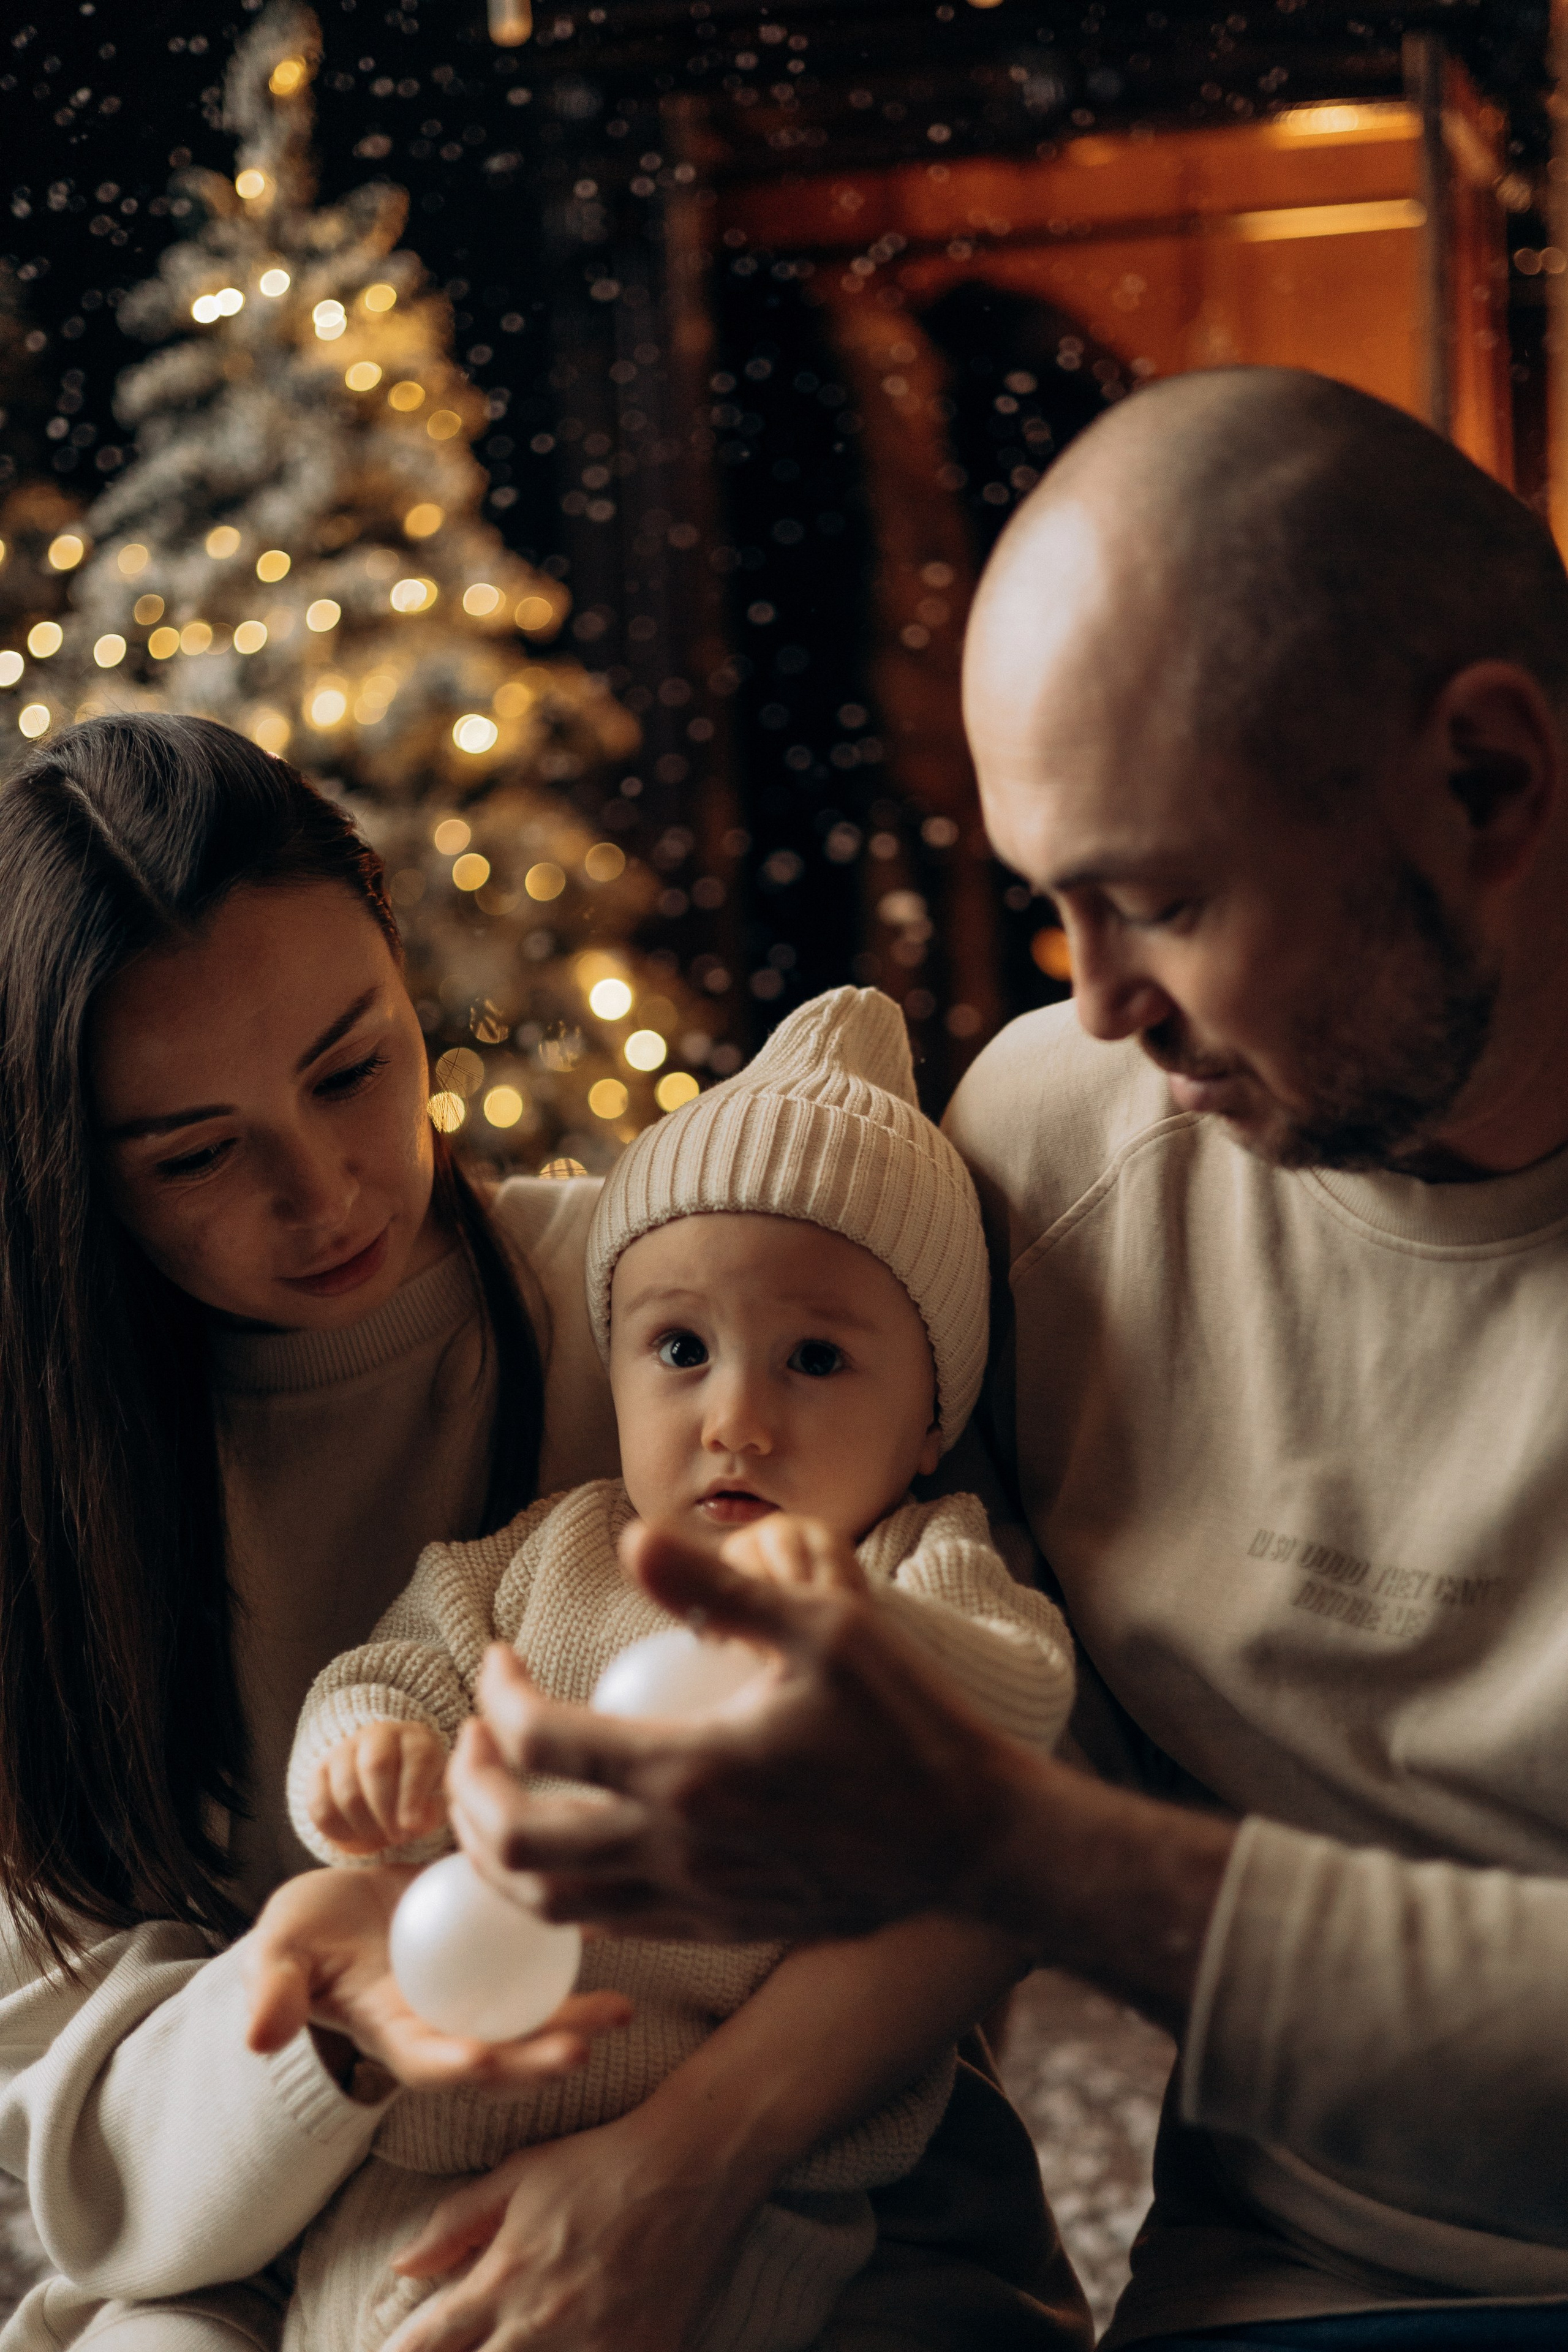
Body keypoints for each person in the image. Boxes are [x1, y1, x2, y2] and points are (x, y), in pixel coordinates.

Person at [443, 369, 1568, 2350]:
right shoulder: (1060, 1143)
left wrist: (1012, 1841)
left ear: (1486, 784)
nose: (1099, 1001)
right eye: (1053, 902)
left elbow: (987, 1809)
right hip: (1272, 2296)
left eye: (1164, 899)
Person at [0, 717, 1076, 2352]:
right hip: (265, 2247)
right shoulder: (45, 1520)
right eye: (200, 1155)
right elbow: (84, 2160)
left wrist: (675, 2172)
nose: (329, 1189)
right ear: (70, 1174)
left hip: (791, 2189)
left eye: (355, 1067)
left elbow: (998, 1822)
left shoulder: (692, 1309)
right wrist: (330, 2026)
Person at [248, 985, 1079, 2352]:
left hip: (758, 2165)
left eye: (815, 1359)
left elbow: (1015, 1708)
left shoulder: (910, 1569)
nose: (737, 1422)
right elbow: (397, 1660)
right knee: (374, 2311)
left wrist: (867, 1645)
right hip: (448, 2100)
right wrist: (366, 1750)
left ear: (930, 1417)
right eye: (681, 1351)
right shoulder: (550, 1554)